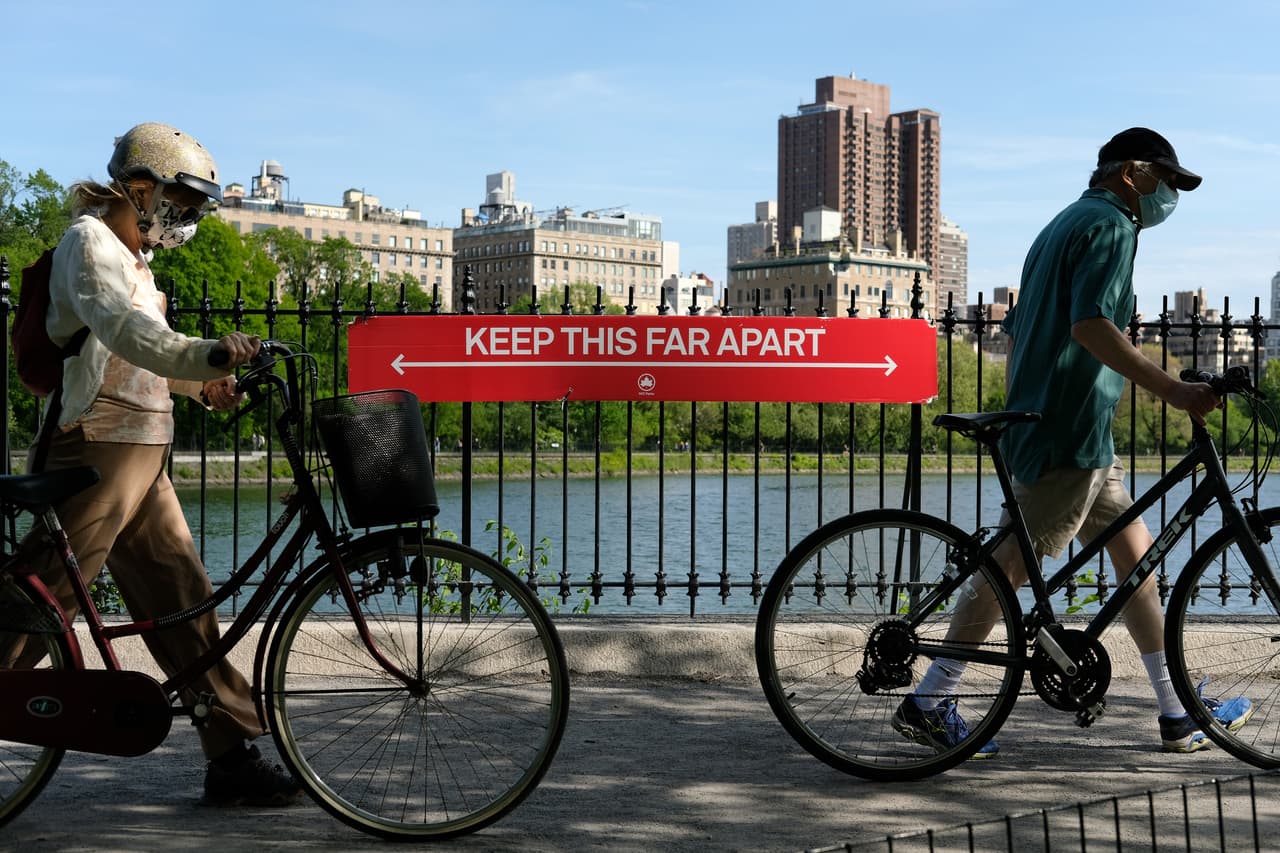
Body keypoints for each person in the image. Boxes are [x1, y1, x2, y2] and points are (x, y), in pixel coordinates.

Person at [894, 128, 1253, 758]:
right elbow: (1090, 325)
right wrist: (1172, 388)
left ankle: (1177, 710)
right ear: (1134, 172)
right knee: (1004, 571)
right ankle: (929, 699)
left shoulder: (1067, 220)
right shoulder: (1111, 226)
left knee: (1138, 563)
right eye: (1168, 181)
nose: (1170, 196)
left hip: (1073, 426)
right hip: (1064, 430)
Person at [6, 122, 301, 805]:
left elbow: (148, 355)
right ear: (141, 190)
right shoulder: (89, 244)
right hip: (97, 446)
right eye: (186, 203)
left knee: (182, 602)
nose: (191, 218)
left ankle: (230, 755)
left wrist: (204, 385)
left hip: (143, 449)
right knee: (37, 598)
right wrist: (210, 354)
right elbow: (127, 333)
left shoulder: (136, 258)